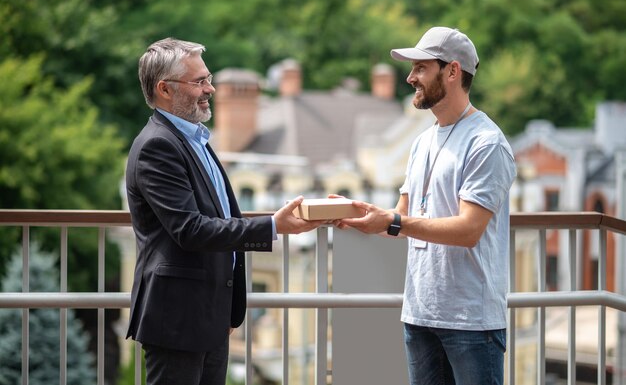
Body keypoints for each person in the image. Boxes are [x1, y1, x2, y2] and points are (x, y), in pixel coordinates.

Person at [125, 37, 322, 385]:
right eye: (199, 81)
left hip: (209, 317)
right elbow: (191, 229)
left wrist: (229, 307)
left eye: (208, 78)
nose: (211, 89)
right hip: (179, 320)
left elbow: (219, 219)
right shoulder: (158, 146)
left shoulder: (195, 140)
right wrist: (272, 226)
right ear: (164, 89)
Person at [334, 27, 516, 385]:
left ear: (452, 71)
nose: (410, 77)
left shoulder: (486, 142)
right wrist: (358, 214)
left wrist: (395, 221)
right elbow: (402, 215)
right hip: (419, 314)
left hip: (471, 322)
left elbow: (468, 230)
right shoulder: (421, 142)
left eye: (420, 67)